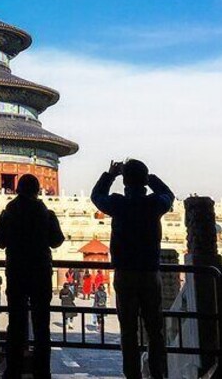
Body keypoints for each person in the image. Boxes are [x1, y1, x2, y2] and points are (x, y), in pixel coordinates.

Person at [91, 159, 174, 379]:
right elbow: (169, 195)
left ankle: (132, 376)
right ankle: (158, 374)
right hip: (149, 272)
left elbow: (97, 197)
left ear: (125, 181)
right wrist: (151, 179)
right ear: (144, 180)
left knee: (128, 331)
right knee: (155, 330)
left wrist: (109, 175)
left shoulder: (118, 204)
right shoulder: (154, 203)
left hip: (125, 272)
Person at [0, 174, 64, 379]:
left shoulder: (9, 213)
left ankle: (13, 369)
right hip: (40, 272)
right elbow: (57, 240)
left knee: (16, 322)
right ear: (37, 190)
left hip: (16, 272)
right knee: (42, 324)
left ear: (17, 190)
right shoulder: (46, 214)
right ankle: (43, 371)